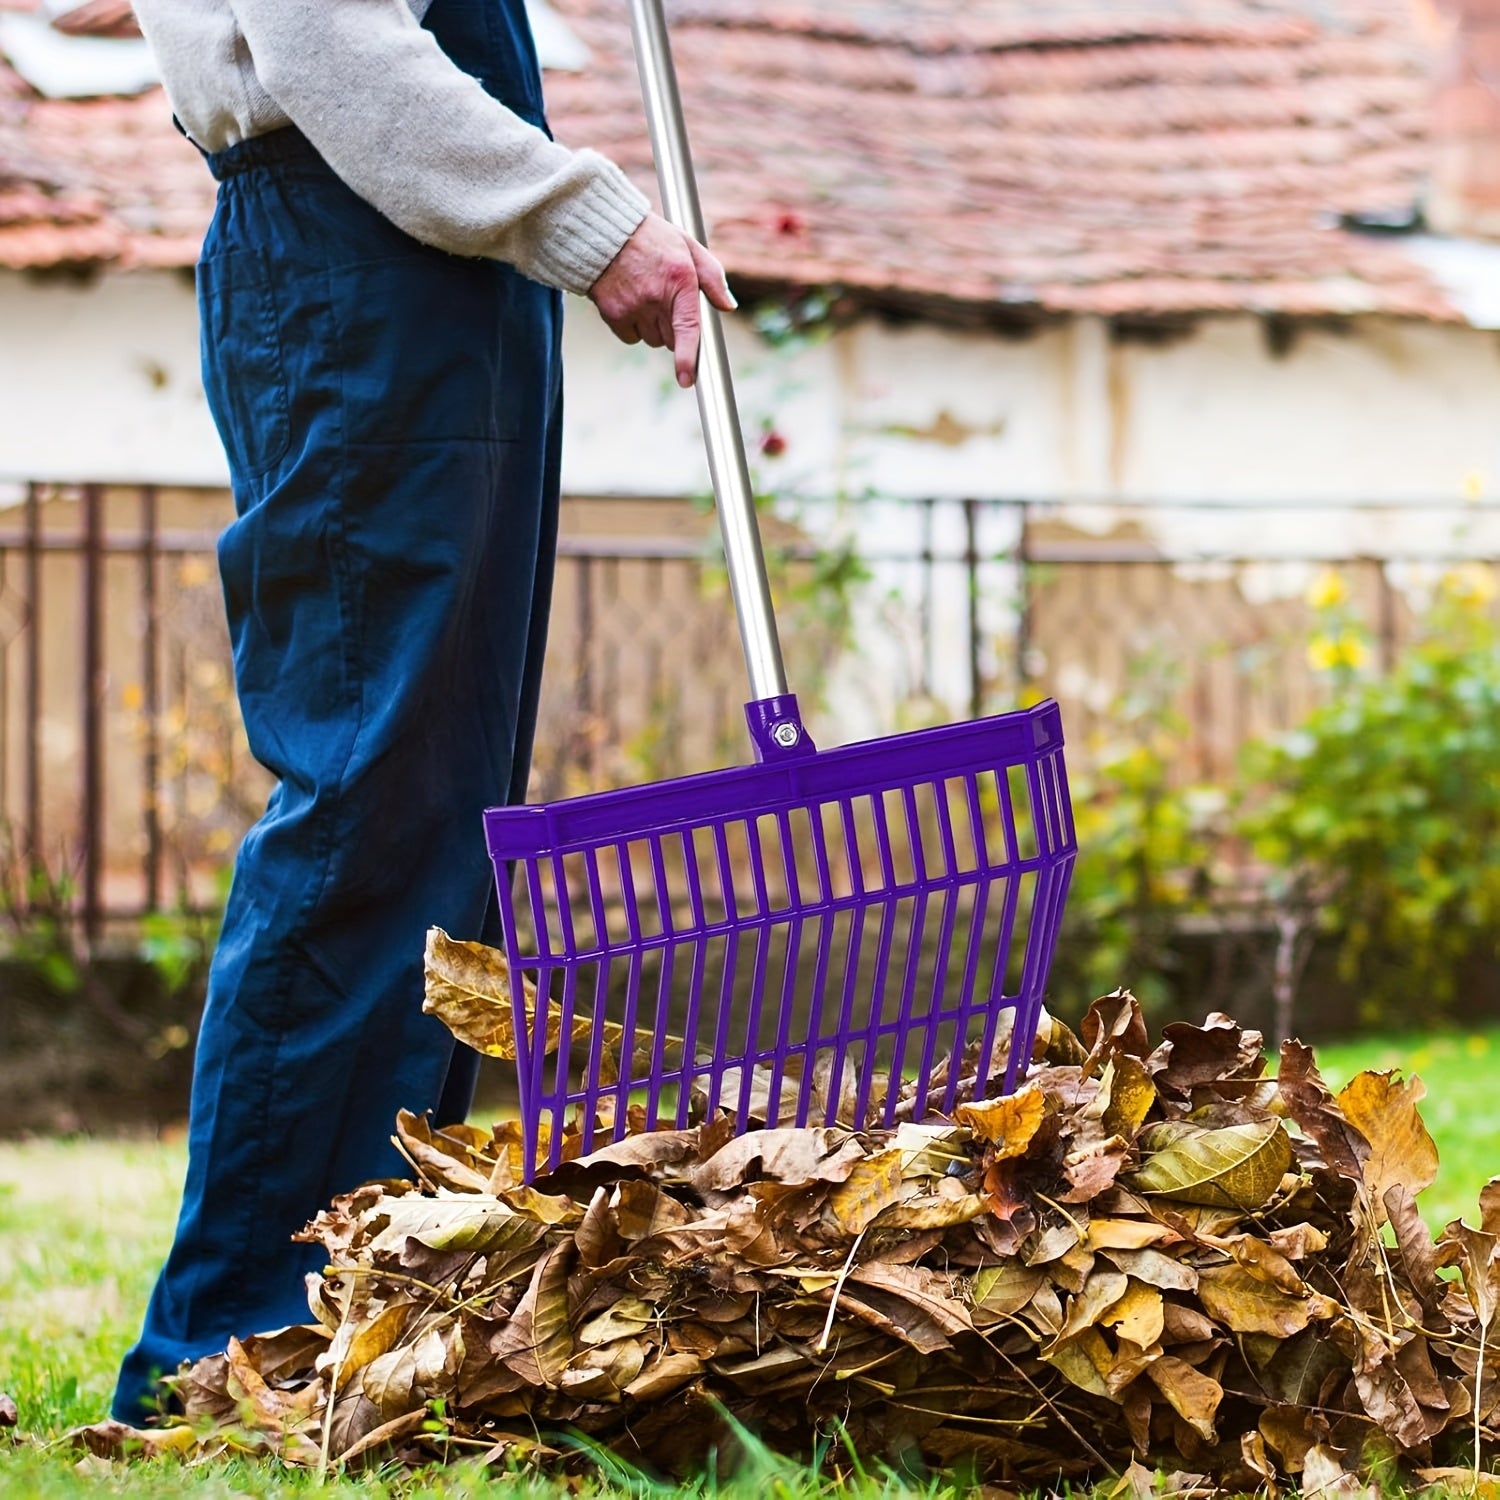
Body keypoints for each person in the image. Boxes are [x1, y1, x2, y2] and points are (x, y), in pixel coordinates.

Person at [112, 0, 733, 1423]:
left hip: (429, 281)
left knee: (440, 823)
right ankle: (232, 1342)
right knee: (367, 809)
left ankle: (356, 1308)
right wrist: (597, 223)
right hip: (354, 267)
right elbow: (329, 39)